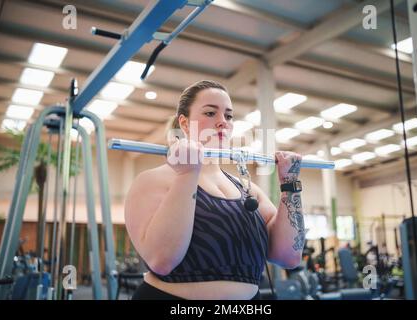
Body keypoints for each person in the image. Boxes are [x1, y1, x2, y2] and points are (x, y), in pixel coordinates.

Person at [125, 80, 306, 300]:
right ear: (184, 123)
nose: (223, 122)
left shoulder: (248, 189)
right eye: (211, 113)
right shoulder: (153, 180)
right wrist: (188, 173)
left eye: (229, 116)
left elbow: (289, 256)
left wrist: (290, 184)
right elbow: (161, 261)